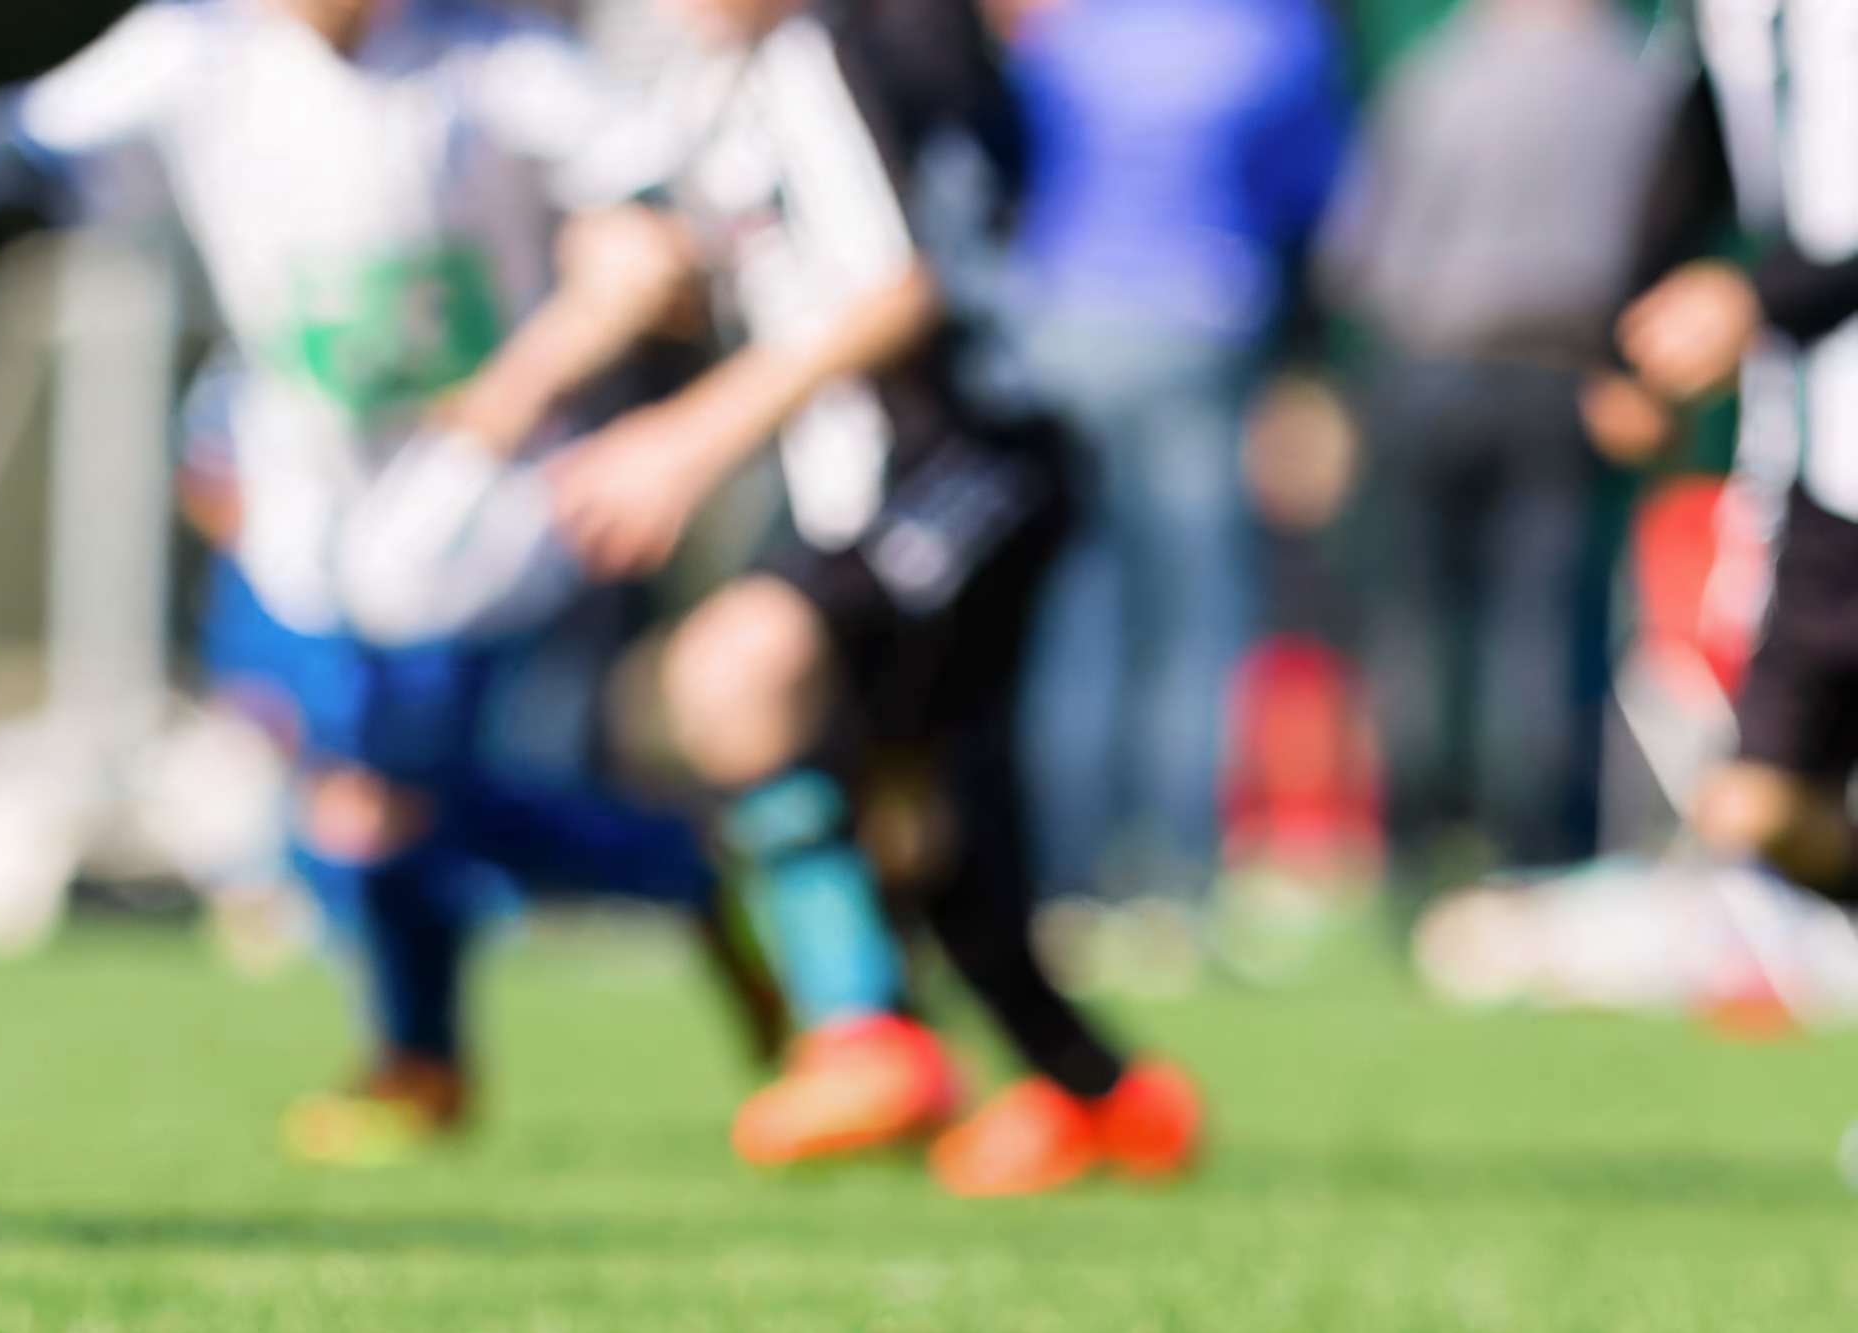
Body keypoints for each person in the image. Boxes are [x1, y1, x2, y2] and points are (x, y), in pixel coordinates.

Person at [0, 0, 775, 1167]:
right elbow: (28, 141)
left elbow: (658, 215)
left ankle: (477, 1018)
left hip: (475, 499)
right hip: (296, 501)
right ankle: (610, 921)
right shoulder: (195, 49)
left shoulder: (497, 59)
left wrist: (608, 291)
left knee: (381, 799)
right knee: (336, 791)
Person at [458, 0, 1204, 1193]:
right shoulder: (732, 79)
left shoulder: (824, 51)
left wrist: (686, 440)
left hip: (958, 463)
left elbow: (891, 290)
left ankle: (864, 1033)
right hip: (886, 483)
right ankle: (1098, 1095)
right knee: (917, 811)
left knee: (735, 675)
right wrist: (581, 330)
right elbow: (703, 245)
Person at [995, 0, 1347, 908]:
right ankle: (1174, 875)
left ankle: (1066, 872)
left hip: (1062, 332)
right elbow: (1315, 206)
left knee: (1078, 616)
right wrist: (1309, 371)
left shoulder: (1066, 35)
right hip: (1201, 327)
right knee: (1197, 618)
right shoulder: (1273, 35)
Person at [1317, 0, 1670, 884]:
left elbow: (1357, 256)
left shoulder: (1436, 78)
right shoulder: (1642, 82)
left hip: (1431, 363)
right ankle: (1538, 848)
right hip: (1570, 370)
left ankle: (1416, 843)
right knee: (1544, 617)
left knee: (1416, 619)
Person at [1612, 1, 1858, 914]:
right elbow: (1697, 146)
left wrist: (1761, 298)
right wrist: (1625, 345)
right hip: (1819, 468)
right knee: (1756, 805)